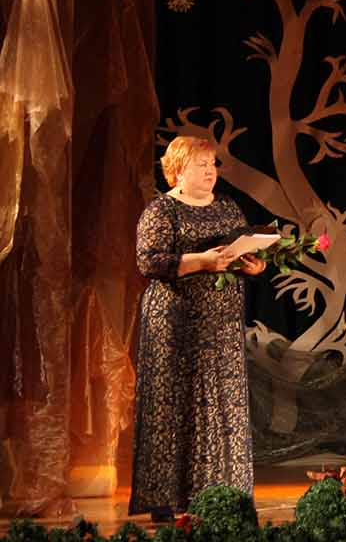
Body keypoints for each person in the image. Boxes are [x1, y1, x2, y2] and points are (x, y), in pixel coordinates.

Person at [128, 136, 266, 519]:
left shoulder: (227, 207)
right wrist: (201, 261)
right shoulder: (162, 210)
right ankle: (167, 502)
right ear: (177, 171)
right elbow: (149, 261)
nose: (210, 171)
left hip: (221, 328)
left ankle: (221, 498)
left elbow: (241, 251)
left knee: (221, 409)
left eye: (212, 164)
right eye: (201, 164)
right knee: (175, 408)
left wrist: (254, 266)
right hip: (175, 325)